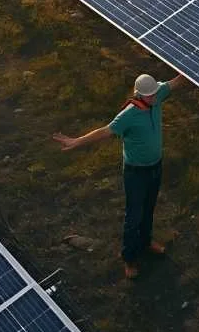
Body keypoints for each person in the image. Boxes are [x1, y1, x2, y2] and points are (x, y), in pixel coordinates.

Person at [53, 72, 188, 280]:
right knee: (134, 216)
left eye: (154, 94)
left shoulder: (158, 93)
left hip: (155, 167)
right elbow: (105, 131)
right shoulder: (129, 115)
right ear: (139, 95)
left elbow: (178, 81)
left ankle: (146, 241)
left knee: (149, 208)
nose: (153, 98)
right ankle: (129, 257)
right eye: (149, 95)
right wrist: (76, 141)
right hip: (136, 172)